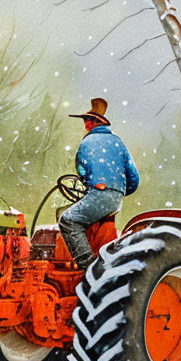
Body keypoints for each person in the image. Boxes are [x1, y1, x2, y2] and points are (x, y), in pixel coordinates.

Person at [58, 97, 140, 269]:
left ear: (94, 123)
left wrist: (95, 185)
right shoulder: (118, 143)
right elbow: (134, 178)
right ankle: (103, 261)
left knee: (68, 220)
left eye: (88, 121)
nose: (86, 124)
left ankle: (88, 266)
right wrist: (118, 189)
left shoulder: (87, 142)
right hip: (116, 200)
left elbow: (81, 170)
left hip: (99, 195)